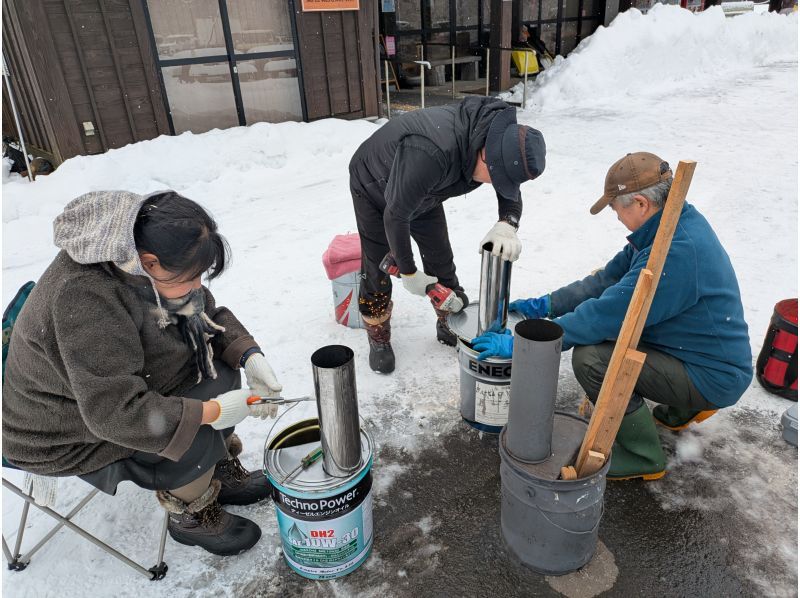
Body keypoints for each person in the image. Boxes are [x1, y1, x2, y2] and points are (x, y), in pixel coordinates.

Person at [2, 190, 284, 556]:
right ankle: (192, 515)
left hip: (114, 390)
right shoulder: (85, 298)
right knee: (195, 424)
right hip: (61, 428)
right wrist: (211, 413)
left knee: (221, 374)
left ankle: (212, 473)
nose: (198, 285)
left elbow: (201, 315)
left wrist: (247, 354)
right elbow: (115, 413)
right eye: (192, 276)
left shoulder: (136, 253)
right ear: (149, 263)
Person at [472, 152, 752, 481]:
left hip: (712, 373)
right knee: (609, 332)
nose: (616, 215)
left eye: (616, 207)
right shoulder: (670, 223)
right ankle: (681, 408)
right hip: (701, 350)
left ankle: (643, 455)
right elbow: (606, 280)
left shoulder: (675, 253)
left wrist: (535, 342)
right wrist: (548, 304)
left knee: (592, 358)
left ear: (641, 204)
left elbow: (606, 315)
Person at [349, 96, 546, 374]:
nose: (498, 185)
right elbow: (395, 215)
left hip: (426, 188)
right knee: (378, 262)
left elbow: (509, 190)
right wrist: (408, 272)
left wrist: (507, 222)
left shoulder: (500, 141)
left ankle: (447, 321)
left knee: (439, 255)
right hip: (373, 184)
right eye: (497, 177)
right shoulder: (432, 151)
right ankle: (378, 332)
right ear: (485, 154)